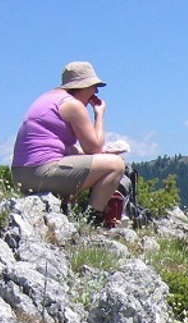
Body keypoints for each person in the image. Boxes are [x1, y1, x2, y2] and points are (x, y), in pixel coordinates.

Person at [10, 62, 126, 227]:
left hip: (22, 175)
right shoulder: (72, 105)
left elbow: (68, 149)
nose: (96, 92)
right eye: (94, 87)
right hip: (40, 173)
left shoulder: (48, 99)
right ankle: (91, 222)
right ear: (83, 86)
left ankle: (68, 211)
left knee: (76, 153)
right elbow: (94, 148)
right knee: (116, 165)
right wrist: (99, 114)